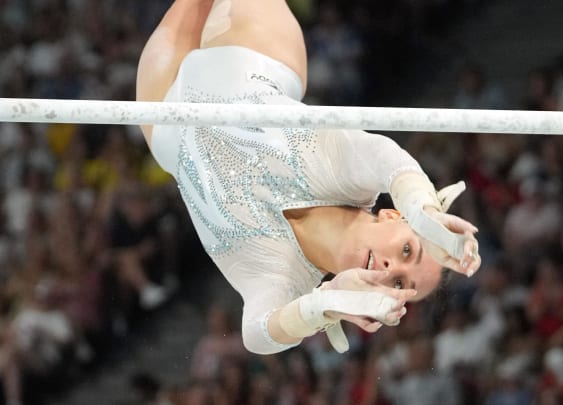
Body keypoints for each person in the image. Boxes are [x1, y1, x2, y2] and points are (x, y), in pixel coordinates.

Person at [135, 0, 481, 354]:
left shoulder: (283, 278)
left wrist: (322, 304)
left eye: (397, 282)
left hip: (163, 111)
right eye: (408, 249)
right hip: (254, 49)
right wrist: (424, 212)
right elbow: (388, 160)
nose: (392, 267)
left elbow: (257, 333)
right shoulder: (344, 175)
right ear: (393, 215)